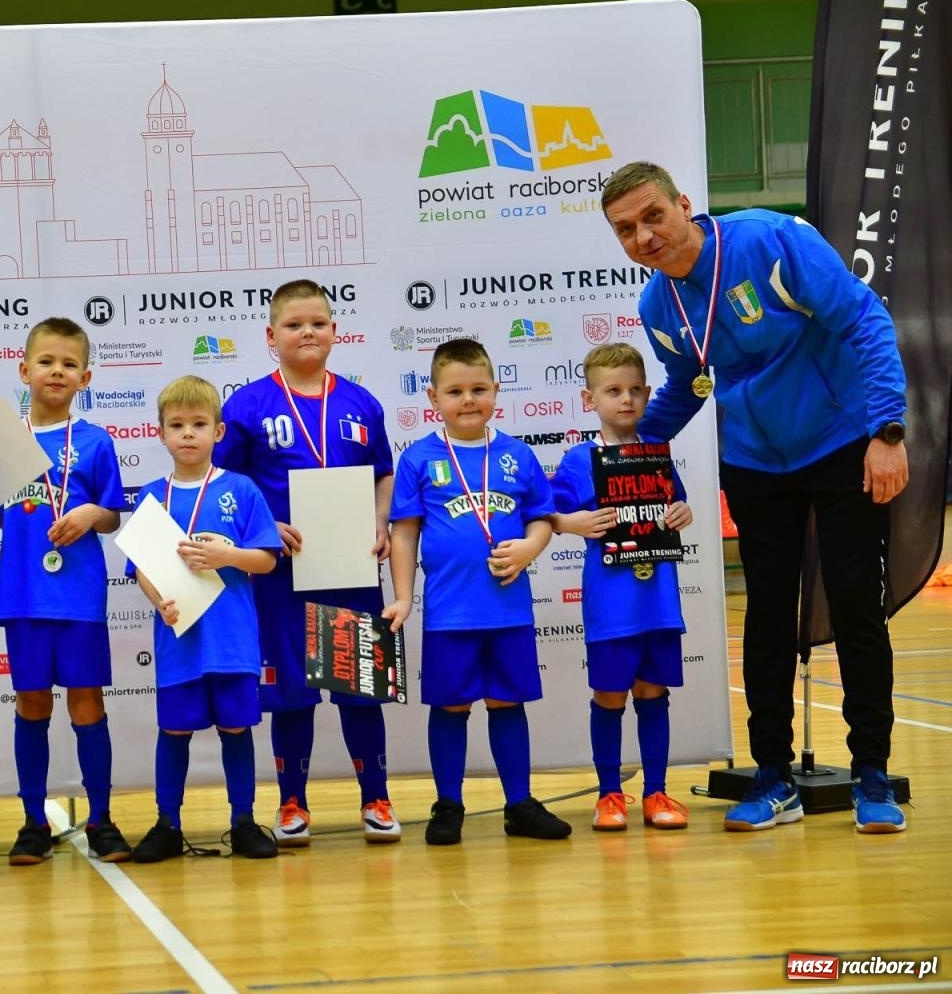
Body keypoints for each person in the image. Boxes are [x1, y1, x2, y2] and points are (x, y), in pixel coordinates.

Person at [602, 161, 910, 834]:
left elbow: (865, 320)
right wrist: (637, 448)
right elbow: (689, 382)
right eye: (626, 230)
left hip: (839, 444)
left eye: (653, 215)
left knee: (857, 609)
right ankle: (774, 780)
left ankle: (873, 778)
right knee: (766, 616)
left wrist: (886, 430)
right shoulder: (659, 305)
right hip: (752, 462)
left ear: (684, 204)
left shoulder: (770, 241)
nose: (644, 236)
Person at [213, 278, 400, 846]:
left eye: (318, 322)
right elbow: (225, 484)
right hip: (282, 573)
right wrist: (262, 526)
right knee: (290, 690)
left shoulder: (361, 402)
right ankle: (292, 801)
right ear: (272, 336)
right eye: (294, 325)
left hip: (350, 567)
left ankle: (376, 798)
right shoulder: (246, 404)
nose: (308, 332)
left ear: (335, 332)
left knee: (359, 686)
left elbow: (384, 472)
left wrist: (378, 520)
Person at [382, 339, 571, 845]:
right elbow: (404, 531)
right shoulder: (420, 459)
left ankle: (520, 804)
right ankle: (449, 805)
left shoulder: (515, 454)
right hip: (449, 613)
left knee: (508, 703)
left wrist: (531, 549)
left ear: (496, 391)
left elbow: (542, 518)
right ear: (433, 397)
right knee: (451, 707)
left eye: (478, 389)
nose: (468, 400)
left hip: (507, 611)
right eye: (455, 391)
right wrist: (402, 596)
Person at [126, 376, 282, 862]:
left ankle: (243, 821)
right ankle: (167, 822)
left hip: (231, 641)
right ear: (161, 433)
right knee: (174, 730)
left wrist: (229, 555)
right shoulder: (152, 497)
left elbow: (268, 559)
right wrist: (160, 600)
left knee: (236, 728)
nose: (187, 434)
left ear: (218, 432)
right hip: (180, 641)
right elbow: (143, 571)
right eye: (177, 425)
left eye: (198, 424)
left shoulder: (241, 488)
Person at [0, 318, 130, 865]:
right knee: (31, 704)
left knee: (86, 704)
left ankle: (100, 818)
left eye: (69, 364)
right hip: (24, 595)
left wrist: (90, 513)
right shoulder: (3, 440)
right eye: (46, 362)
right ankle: (32, 822)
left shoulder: (95, 442)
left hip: (78, 598)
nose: (57, 371)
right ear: (24, 370)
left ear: (86, 377)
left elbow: (113, 514)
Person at [550, 343, 694, 831]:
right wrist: (577, 523)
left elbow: (679, 506)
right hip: (611, 603)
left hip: (658, 600)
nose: (626, 400)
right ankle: (610, 794)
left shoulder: (656, 454)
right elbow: (551, 518)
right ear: (590, 399)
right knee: (610, 694)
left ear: (648, 394)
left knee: (652, 692)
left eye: (635, 390)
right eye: (614, 391)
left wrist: (683, 512)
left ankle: (656, 792)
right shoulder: (577, 459)